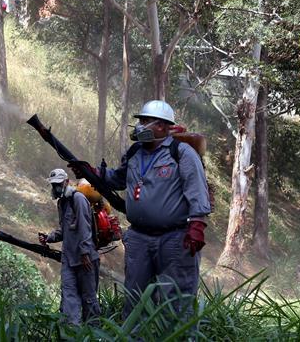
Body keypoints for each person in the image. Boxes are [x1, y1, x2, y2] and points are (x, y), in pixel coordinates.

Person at [75, 100, 210, 318]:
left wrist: (197, 225)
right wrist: (94, 173)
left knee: (176, 300)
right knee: (135, 298)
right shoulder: (136, 152)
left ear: (162, 126)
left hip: (174, 239)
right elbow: (119, 179)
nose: (140, 126)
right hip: (139, 238)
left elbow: (196, 189)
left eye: (146, 121)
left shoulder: (181, 152)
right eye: (140, 121)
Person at [38, 168, 101, 325]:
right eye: (53, 185)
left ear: (66, 182)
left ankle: (94, 333)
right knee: (68, 297)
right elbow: (64, 230)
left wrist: (85, 252)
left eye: (58, 184)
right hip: (69, 259)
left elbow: (85, 227)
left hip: (85, 259)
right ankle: (72, 333)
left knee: (89, 299)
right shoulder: (62, 203)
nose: (55, 188)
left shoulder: (78, 199)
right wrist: (49, 237)